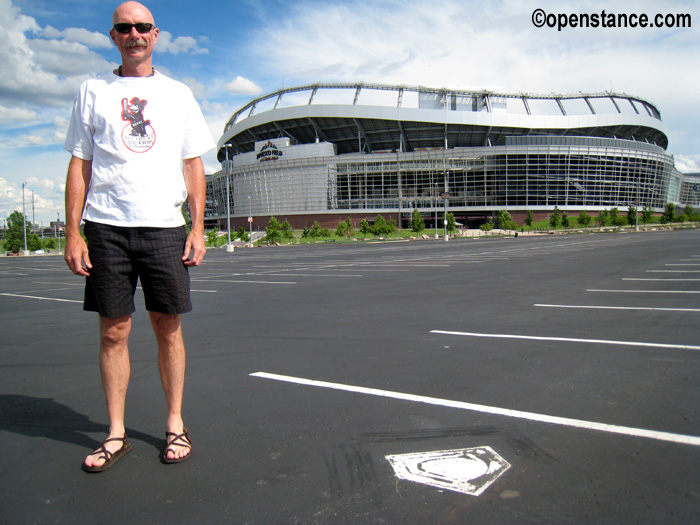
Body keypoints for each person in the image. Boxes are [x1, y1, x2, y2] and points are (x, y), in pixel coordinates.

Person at [63, 1, 214, 472]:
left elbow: (194, 165)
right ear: (113, 36)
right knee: (114, 331)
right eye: (124, 27)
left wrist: (199, 227)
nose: (134, 34)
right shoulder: (92, 90)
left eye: (142, 27)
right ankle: (115, 433)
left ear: (155, 34)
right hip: (107, 226)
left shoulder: (178, 94)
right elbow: (79, 165)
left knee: (167, 328)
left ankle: (174, 423)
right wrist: (73, 231)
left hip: (165, 228)